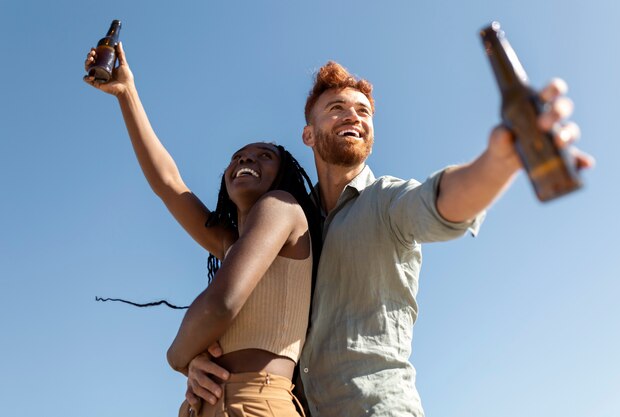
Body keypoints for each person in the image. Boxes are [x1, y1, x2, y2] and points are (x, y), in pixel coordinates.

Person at [182, 59, 594, 417]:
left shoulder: (387, 201)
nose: (353, 116)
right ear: (308, 134)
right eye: (337, 108)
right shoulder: (292, 220)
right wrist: (198, 362)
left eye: (363, 111)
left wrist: (499, 162)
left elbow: (442, 201)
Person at [83, 43, 322, 417]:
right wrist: (127, 93)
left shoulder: (282, 207)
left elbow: (221, 303)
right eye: (238, 156)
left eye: (264, 156)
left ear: (284, 176)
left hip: (259, 403)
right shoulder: (229, 243)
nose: (247, 158)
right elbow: (168, 183)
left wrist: (178, 356)